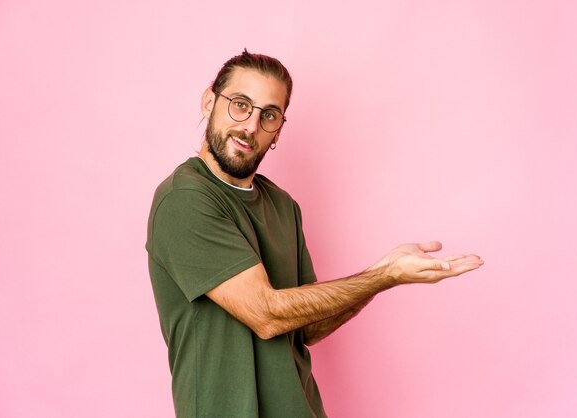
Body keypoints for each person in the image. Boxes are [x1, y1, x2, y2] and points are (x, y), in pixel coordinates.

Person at [146, 49, 484, 418]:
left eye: (269, 115)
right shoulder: (184, 198)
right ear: (209, 101)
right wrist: (381, 275)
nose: (250, 126)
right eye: (240, 105)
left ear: (279, 130)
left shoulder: (283, 205)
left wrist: (385, 277)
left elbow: (306, 326)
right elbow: (266, 315)